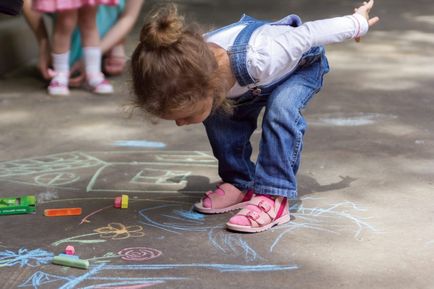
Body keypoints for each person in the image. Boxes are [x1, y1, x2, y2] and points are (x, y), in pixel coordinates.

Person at [131, 1, 379, 233]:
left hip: (299, 69)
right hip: (251, 83)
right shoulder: (189, 65)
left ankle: (273, 196)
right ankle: (241, 183)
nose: (180, 123)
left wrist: (358, 23)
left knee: (281, 111)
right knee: (219, 116)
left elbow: (311, 33)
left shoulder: (263, 54)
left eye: (185, 115)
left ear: (208, 86)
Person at [23, 0, 144, 87]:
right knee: (65, 22)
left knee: (88, 21)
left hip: (99, 47)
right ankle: (60, 74)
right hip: (64, 51)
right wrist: (43, 43)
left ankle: (94, 72)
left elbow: (129, 16)